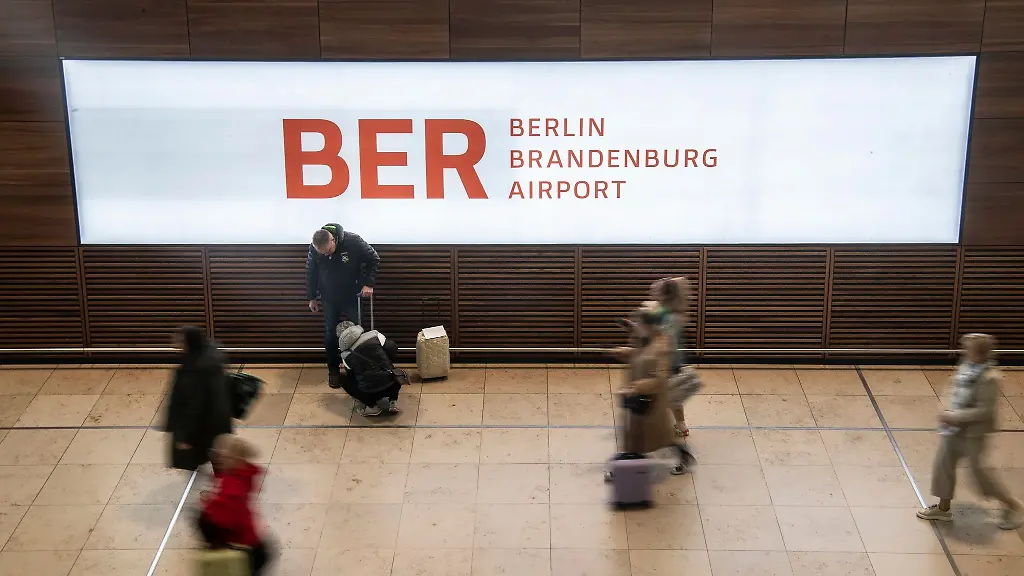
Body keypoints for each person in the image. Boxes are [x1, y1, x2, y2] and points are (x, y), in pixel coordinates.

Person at [917, 333, 1022, 530]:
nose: (964, 351)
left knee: (978, 473)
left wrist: (954, 416)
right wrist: (945, 408)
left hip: (974, 432)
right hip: (954, 429)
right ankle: (943, 508)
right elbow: (953, 387)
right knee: (943, 464)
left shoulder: (990, 378)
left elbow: (984, 411)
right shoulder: (967, 367)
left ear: (980, 353)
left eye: (968, 349)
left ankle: (1013, 505)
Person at [611, 301, 695, 476]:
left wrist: (636, 387)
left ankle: (624, 469)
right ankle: (628, 464)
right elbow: (638, 354)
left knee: (656, 436)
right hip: (639, 397)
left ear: (649, 325)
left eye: (638, 323)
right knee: (640, 435)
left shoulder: (661, 346)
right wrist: (623, 352)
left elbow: (660, 378)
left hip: (651, 401)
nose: (635, 326)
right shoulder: (646, 339)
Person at [305, 223, 381, 389]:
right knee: (330, 334)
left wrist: (368, 283)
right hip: (329, 297)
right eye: (322, 253)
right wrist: (312, 297)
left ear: (333, 240)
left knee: (359, 332)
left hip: (351, 295)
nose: (326, 255)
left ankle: (359, 369)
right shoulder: (315, 247)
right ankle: (333, 370)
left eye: (328, 252)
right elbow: (311, 271)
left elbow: (373, 258)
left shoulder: (353, 241)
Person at [197, 434, 273, 575]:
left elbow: (223, 518)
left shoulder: (232, 488)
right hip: (254, 543)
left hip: (245, 552)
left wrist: (208, 503)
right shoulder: (243, 474)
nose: (216, 459)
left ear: (234, 459)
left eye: (220, 455)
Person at [164, 326, 233, 472]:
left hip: (203, 426)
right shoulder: (211, 356)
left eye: (179, 339)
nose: (175, 341)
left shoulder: (193, 370)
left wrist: (185, 437)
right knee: (218, 454)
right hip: (217, 420)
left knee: (209, 456)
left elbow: (193, 406)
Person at [649, 277, 697, 437]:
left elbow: (664, 340)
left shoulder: (668, 316)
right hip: (673, 360)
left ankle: (657, 428)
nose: (653, 293)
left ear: (665, 295)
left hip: (666, 361)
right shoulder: (669, 311)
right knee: (673, 395)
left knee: (659, 394)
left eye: (656, 291)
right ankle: (681, 425)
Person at [336, 320, 403, 416]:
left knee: (342, 378)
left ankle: (373, 407)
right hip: (391, 384)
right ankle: (393, 401)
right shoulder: (374, 335)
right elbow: (393, 350)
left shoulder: (345, 355)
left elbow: (351, 374)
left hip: (370, 392)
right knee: (391, 370)